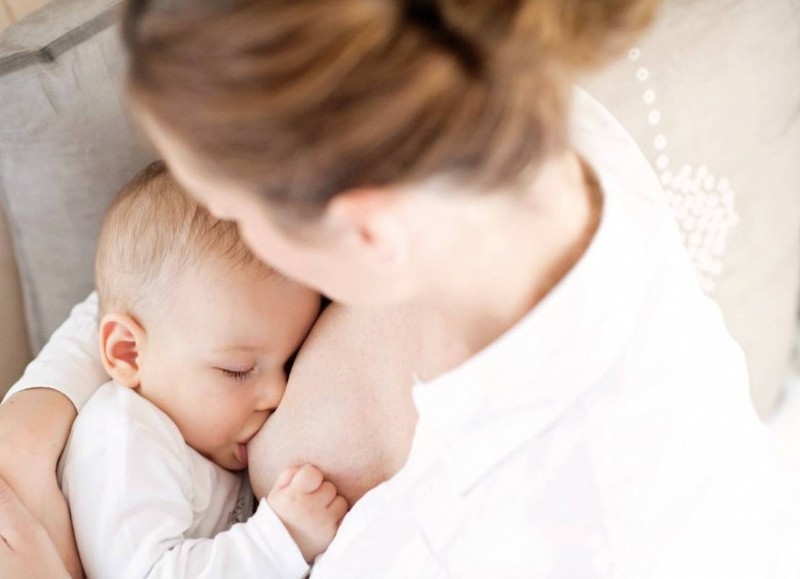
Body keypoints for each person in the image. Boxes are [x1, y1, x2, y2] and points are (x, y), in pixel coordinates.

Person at [1, 0, 799, 577]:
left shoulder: (480, 534)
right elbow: (175, 280)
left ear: (361, 232)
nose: (222, 223)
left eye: (235, 208)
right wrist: (42, 411)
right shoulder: (491, 110)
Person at [58, 161, 345, 578]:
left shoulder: (199, 437)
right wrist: (279, 539)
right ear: (128, 353)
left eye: (289, 362)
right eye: (237, 370)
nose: (277, 394)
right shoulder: (125, 437)